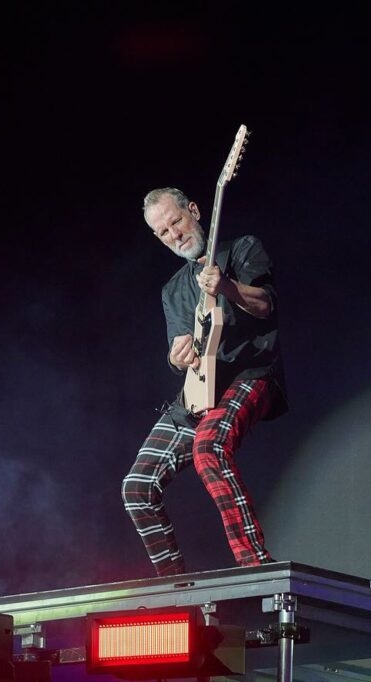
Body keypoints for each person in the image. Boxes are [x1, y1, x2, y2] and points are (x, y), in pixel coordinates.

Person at [122, 187, 287, 577]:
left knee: (208, 448)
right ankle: (175, 587)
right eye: (163, 232)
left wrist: (227, 287)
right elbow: (182, 350)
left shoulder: (243, 249)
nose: (174, 235)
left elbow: (266, 305)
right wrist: (176, 357)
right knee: (137, 487)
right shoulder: (173, 290)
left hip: (251, 374)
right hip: (199, 391)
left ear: (194, 210)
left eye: (176, 221)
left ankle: (255, 569)